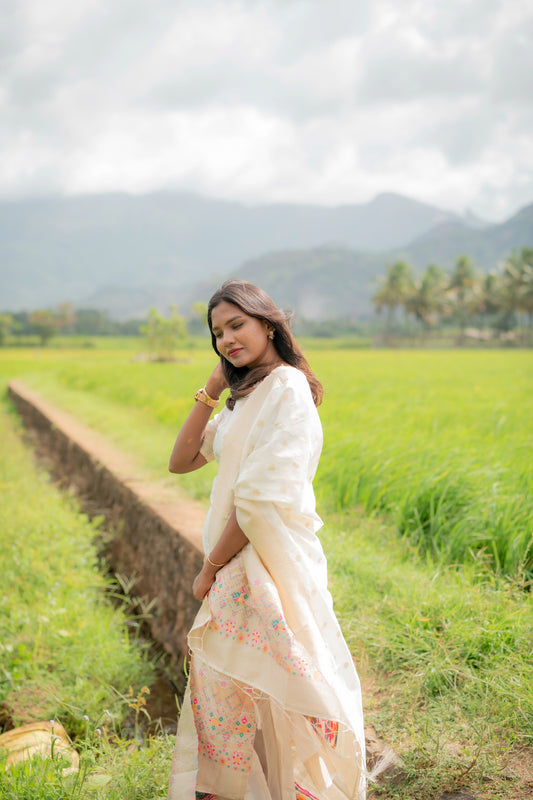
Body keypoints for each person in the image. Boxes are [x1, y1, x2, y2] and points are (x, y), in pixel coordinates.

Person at [168, 280, 366, 800]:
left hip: (266, 564)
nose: (227, 340)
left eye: (237, 325)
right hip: (240, 561)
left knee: (275, 690)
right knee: (239, 692)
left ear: (269, 324)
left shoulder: (287, 389)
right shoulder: (245, 398)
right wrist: (211, 389)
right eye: (218, 333)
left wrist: (209, 568)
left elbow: (258, 499)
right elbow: (181, 461)